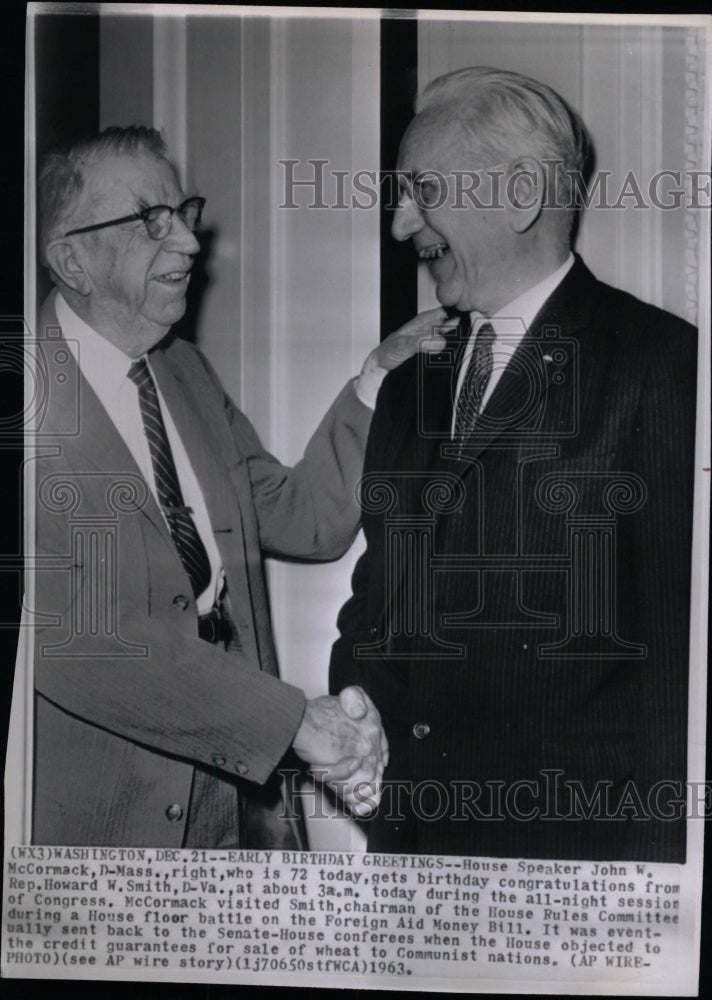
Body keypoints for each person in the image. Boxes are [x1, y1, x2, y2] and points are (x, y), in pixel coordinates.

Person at [30, 125, 446, 848]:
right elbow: (85, 640)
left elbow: (303, 518)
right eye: (149, 222)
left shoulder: (183, 371)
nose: (191, 244)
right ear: (72, 260)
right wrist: (294, 724)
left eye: (183, 214)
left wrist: (376, 378)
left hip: (240, 811)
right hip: (108, 826)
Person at [329, 67, 697, 862]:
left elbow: (680, 671)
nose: (400, 226)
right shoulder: (408, 386)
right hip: (411, 859)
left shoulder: (661, 367)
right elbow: (375, 603)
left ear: (522, 194)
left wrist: (656, 904)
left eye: (421, 189)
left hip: (578, 876)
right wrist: (354, 721)